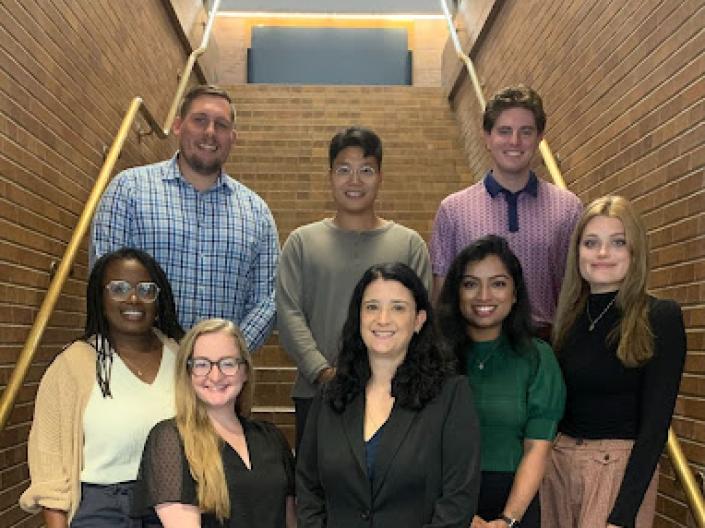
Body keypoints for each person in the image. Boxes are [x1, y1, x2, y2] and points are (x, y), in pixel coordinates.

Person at [276, 126, 432, 452]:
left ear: (380, 177)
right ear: (330, 175)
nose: (355, 181)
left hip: (393, 394)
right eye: (344, 170)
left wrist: (387, 378)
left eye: (366, 171)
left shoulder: (409, 244)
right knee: (317, 491)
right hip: (317, 393)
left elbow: (421, 317)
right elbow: (289, 312)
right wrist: (322, 372)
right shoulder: (302, 243)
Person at [91, 84, 278, 351]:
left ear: (233, 138)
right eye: (200, 120)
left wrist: (224, 356)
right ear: (178, 126)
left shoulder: (257, 213)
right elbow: (104, 281)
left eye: (221, 125)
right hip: (139, 370)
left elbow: (267, 300)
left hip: (218, 381)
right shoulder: (129, 190)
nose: (210, 132)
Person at [296, 263, 480, 527]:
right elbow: (308, 487)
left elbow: (458, 499)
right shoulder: (330, 395)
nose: (382, 319)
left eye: (398, 307)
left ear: (419, 320)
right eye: (372, 307)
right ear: (358, 317)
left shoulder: (451, 395)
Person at [540, 195, 687, 528]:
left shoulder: (658, 316)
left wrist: (623, 515)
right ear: (577, 252)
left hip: (615, 470)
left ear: (635, 251)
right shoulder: (566, 321)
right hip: (557, 466)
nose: (602, 253)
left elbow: (655, 429)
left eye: (617, 242)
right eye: (591, 243)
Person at [20, 248, 185, 527]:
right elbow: (48, 460)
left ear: (159, 299)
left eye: (146, 289)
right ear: (100, 297)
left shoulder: (183, 359)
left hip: (173, 502)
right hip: (100, 507)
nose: (133, 298)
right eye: (118, 288)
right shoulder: (73, 365)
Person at [430, 85, 582, 338]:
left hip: (545, 347)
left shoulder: (568, 208)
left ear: (539, 138)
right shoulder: (453, 210)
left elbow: (577, 291)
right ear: (487, 137)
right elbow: (442, 295)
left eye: (526, 131)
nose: (514, 141)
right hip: (473, 349)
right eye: (504, 131)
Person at [436, 235, 565, 528]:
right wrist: (461, 515)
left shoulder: (538, 358)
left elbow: (538, 448)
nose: (484, 296)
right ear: (456, 293)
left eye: (498, 283)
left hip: (514, 501)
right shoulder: (433, 357)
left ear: (515, 293)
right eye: (470, 284)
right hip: (443, 502)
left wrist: (507, 520)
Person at [132, 318, 296, 528]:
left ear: (245, 371)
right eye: (202, 364)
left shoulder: (271, 437)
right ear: (187, 372)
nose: (215, 375)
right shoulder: (170, 438)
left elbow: (291, 520)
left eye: (228, 363)